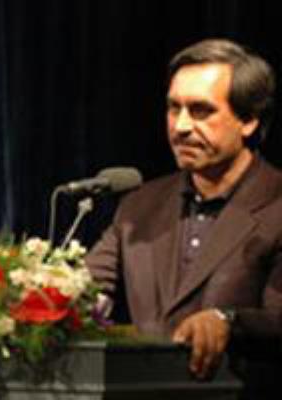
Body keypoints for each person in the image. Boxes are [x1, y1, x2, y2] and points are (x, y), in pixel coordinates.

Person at [86, 38, 282, 399]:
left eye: (201, 111)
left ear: (249, 120)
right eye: (174, 108)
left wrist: (228, 321)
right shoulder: (140, 206)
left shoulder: (276, 204)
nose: (181, 126)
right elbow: (84, 290)